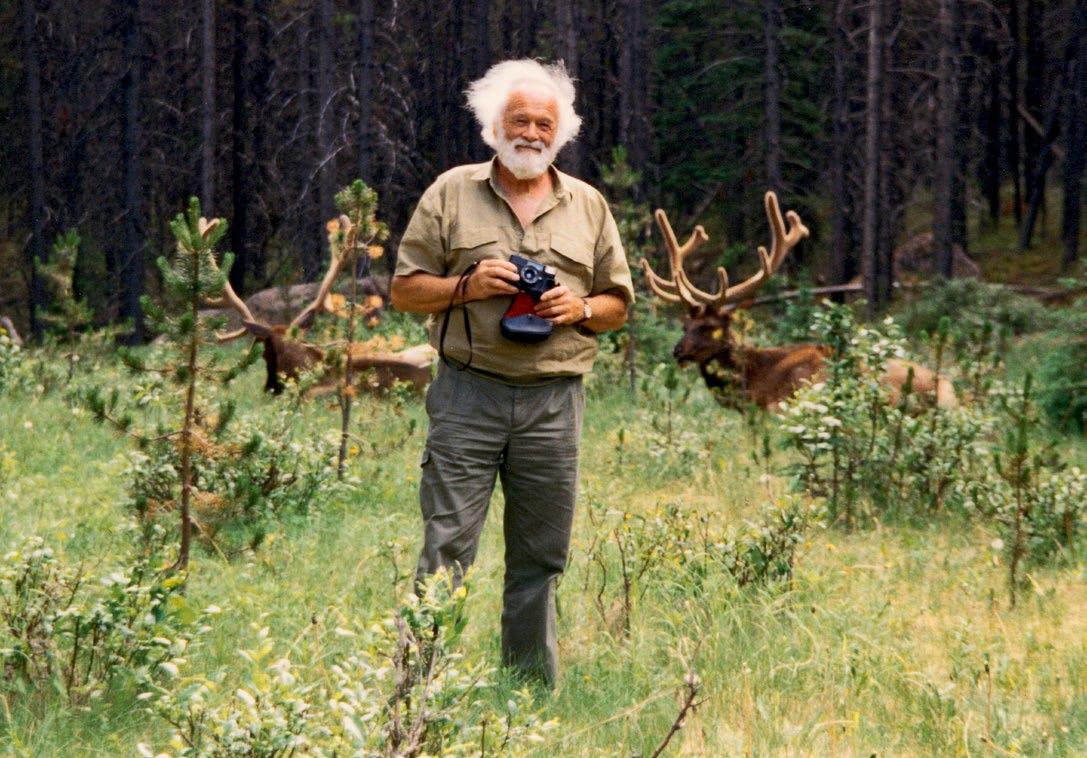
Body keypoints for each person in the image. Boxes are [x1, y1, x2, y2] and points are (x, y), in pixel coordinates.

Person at [389, 59, 634, 686]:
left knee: (540, 558)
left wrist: (579, 308)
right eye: (519, 120)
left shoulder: (588, 205)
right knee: (446, 547)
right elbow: (405, 291)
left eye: (544, 123)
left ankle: (525, 694)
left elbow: (618, 305)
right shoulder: (451, 192)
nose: (531, 132)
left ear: (562, 133)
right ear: (493, 125)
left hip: (554, 403)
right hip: (468, 395)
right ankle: (417, 695)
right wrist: (466, 286)